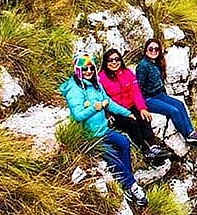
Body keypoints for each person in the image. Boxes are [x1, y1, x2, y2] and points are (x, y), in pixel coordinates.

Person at [60, 53, 148, 207]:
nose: (88, 72)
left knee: (124, 143)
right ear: (78, 70)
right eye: (84, 69)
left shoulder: (95, 85)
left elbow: (109, 103)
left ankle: (127, 183)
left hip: (102, 129)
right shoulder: (75, 90)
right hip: (90, 136)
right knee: (112, 156)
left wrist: (128, 114)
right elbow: (78, 115)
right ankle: (133, 187)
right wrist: (94, 108)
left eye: (91, 68)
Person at [99, 48, 173, 163]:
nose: (114, 62)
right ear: (106, 63)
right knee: (132, 124)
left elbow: (136, 92)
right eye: (110, 60)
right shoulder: (101, 78)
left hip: (130, 105)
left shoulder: (127, 73)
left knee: (144, 117)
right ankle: (146, 150)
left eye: (117, 59)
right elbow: (101, 98)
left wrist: (142, 108)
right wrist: (108, 114)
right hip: (115, 110)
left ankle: (154, 147)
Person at [136, 39, 197, 146]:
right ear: (146, 50)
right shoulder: (143, 66)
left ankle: (191, 131)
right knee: (173, 111)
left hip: (159, 94)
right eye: (151, 49)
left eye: (156, 49)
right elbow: (139, 88)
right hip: (148, 98)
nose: (154, 51)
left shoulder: (155, 63)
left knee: (180, 104)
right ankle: (187, 135)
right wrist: (141, 106)